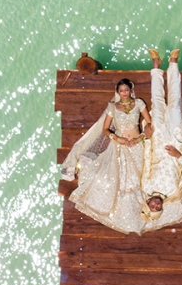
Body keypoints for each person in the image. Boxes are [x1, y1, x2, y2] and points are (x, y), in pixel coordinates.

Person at [61, 76, 156, 234]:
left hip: (137, 144)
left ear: (130, 90)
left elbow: (149, 123)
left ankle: (139, 205)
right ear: (117, 92)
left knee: (137, 175)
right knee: (121, 176)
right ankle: (124, 208)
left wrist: (139, 138)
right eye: (121, 91)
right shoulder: (112, 107)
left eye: (126, 90)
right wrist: (117, 138)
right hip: (119, 145)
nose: (124, 93)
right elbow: (106, 129)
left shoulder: (139, 103)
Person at [139, 49, 182, 231]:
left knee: (157, 102)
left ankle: (155, 66)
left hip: (158, 139)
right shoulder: (174, 192)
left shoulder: (145, 186)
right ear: (161, 207)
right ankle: (174, 63)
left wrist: (146, 137)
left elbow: (146, 159)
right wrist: (178, 155)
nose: (156, 205)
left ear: (147, 201)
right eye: (157, 208)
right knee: (175, 103)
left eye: (152, 206)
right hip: (175, 141)